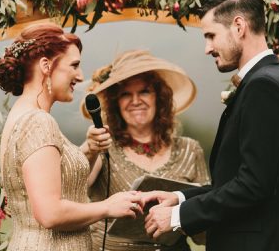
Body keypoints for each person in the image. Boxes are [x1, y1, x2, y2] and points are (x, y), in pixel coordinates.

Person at [142, 0, 279, 251]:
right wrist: (179, 198)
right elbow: (234, 181)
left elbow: (253, 185)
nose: (207, 49)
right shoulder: (267, 80)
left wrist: (178, 217)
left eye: (211, 36)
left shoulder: (264, 87)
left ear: (239, 26)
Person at [0, 23, 143, 251]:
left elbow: (54, 180)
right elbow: (50, 213)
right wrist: (108, 206)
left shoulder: (20, 114)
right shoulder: (38, 122)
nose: (80, 76)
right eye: (74, 65)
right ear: (46, 65)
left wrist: (88, 150)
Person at [80, 49, 210, 251]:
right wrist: (90, 148)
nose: (135, 101)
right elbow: (76, 185)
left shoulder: (190, 149)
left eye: (144, 91)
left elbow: (206, 225)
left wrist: (180, 216)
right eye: (125, 94)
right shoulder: (103, 147)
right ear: (115, 104)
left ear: (160, 98)